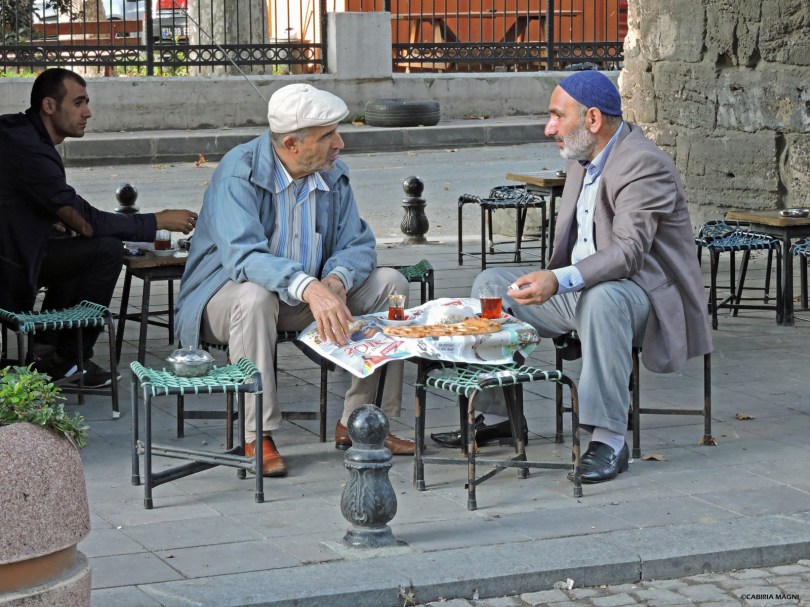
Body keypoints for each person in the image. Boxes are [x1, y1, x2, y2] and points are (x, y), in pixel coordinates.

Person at [432, 70, 713, 484]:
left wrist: (558, 280)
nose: (549, 128)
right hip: (584, 288)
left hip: (642, 298)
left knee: (603, 301)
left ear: (593, 120)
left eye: (556, 116)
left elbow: (629, 253)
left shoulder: (643, 164)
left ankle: (608, 439)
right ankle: (498, 417)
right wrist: (553, 279)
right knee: (491, 287)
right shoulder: (585, 158)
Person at [175, 83, 415, 478]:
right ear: (291, 144)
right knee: (254, 296)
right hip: (224, 300)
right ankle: (259, 433)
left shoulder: (333, 172)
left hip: (304, 298)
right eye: (327, 136)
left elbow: (358, 243)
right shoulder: (240, 172)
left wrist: (336, 281)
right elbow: (244, 257)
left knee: (391, 283)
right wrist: (311, 287)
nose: (339, 143)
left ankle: (363, 420)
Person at [0, 68, 197, 387]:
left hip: (19, 251)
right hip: (10, 266)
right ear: (49, 106)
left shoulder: (18, 132)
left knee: (85, 245)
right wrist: (156, 221)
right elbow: (86, 220)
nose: (87, 112)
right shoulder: (29, 146)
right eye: (78, 103)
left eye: (87, 102)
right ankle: (66, 359)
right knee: (105, 249)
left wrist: (53, 219)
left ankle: (46, 350)